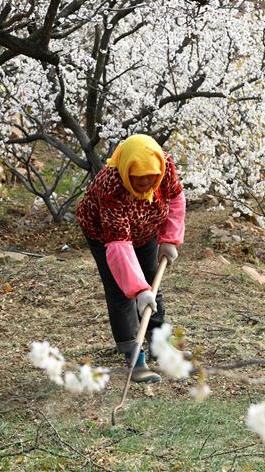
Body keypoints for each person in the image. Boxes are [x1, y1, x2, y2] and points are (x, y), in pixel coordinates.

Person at [76, 134, 186, 383]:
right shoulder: (111, 187)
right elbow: (118, 245)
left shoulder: (164, 166)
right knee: (122, 293)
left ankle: (160, 346)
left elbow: (176, 198)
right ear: (127, 173)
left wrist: (169, 238)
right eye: (138, 180)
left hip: (145, 228)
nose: (146, 184)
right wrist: (136, 290)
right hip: (107, 236)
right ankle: (134, 360)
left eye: (151, 179)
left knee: (152, 284)